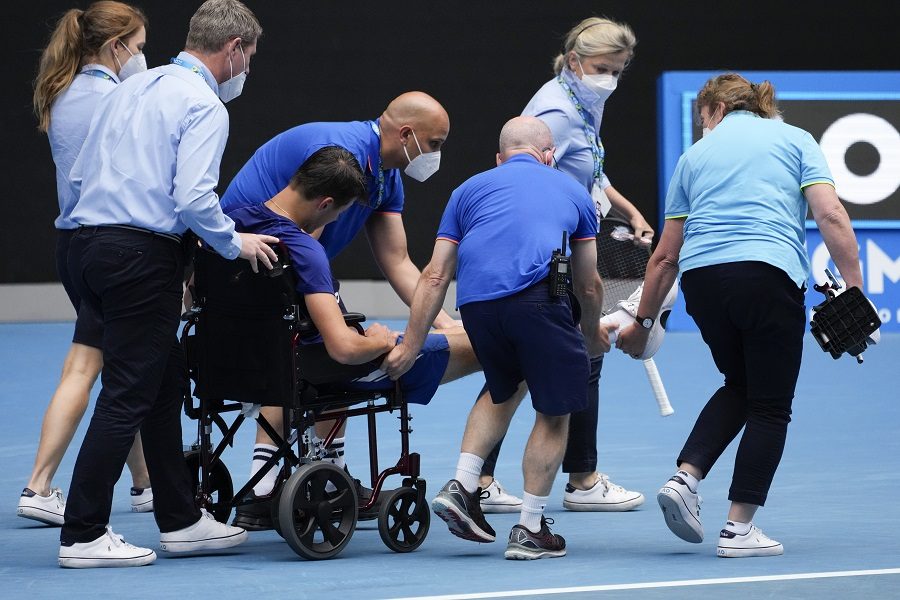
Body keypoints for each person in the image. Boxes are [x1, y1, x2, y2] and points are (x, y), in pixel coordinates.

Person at [58, 0, 278, 568]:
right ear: (234, 49)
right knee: (129, 392)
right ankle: (83, 532)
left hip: (87, 247)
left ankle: (180, 520)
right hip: (140, 255)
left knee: (164, 380)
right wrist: (234, 243)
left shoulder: (129, 86)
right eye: (250, 57)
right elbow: (194, 198)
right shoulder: (205, 105)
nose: (248, 69)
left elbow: (78, 175)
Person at [617, 73, 866, 558]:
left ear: (716, 110)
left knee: (742, 384)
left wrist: (643, 325)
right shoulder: (796, 139)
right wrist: (855, 289)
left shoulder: (693, 157)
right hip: (767, 275)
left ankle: (685, 477)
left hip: (704, 283)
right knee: (771, 405)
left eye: (702, 119)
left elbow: (665, 257)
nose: (703, 127)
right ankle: (738, 529)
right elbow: (831, 215)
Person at [219, 92, 459, 529]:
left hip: (283, 267)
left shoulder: (387, 177)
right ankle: (269, 488)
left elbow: (397, 260)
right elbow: (297, 234)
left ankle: (324, 479)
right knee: (316, 354)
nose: (436, 155)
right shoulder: (336, 158)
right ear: (407, 134)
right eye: (435, 144)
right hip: (260, 270)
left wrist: (440, 322)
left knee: (321, 347)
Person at [383, 116, 612, 560]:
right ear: (549, 156)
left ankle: (463, 484)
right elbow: (588, 285)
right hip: (540, 303)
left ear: (499, 159)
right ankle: (530, 528)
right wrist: (589, 335)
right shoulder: (574, 191)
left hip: (477, 307)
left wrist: (411, 344)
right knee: (555, 414)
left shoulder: (466, 190)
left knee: (503, 387)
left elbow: (435, 276)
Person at [478, 16, 650, 514]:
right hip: (546, 254)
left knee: (547, 362)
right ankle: (581, 480)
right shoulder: (555, 111)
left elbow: (588, 168)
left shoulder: (582, 100)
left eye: (618, 70)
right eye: (603, 68)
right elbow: (521, 176)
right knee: (577, 355)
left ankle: (495, 479)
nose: (610, 79)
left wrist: (630, 211)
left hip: (559, 245)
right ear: (575, 61)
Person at [21, 1, 155, 527]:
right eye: (138, 47)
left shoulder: (63, 92)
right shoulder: (117, 99)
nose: (142, 57)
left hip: (73, 245)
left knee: (121, 364)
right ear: (115, 47)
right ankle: (39, 485)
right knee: (87, 365)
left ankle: (144, 482)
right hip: (108, 244)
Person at [227, 146, 481, 412]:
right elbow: (344, 349)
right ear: (325, 204)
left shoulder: (229, 230)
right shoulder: (306, 251)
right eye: (339, 213)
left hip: (237, 365)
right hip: (314, 371)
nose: (335, 219)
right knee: (485, 345)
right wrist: (381, 340)